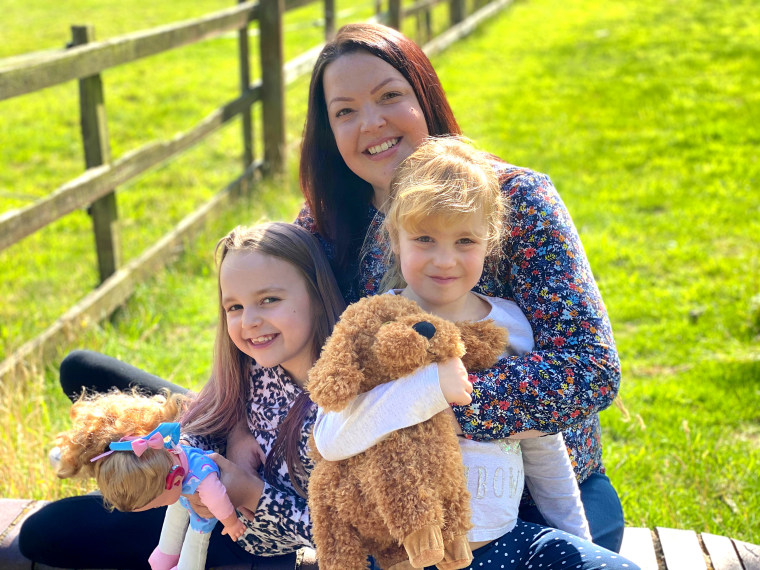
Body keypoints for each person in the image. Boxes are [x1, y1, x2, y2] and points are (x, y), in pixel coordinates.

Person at [294, 22, 626, 552]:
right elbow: (281, 347)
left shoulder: (517, 200)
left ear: (425, 98)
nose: (372, 122)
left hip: (544, 499)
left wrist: (421, 405)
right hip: (400, 511)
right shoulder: (327, 228)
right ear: (328, 133)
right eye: (345, 111)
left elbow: (588, 370)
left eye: (390, 96)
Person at [19, 222, 345, 569]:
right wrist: (202, 451)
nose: (249, 321)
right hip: (202, 480)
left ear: (316, 292)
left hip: (241, 539)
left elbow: (357, 532)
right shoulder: (258, 361)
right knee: (80, 367)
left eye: (269, 300)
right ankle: (121, 467)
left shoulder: (346, 402)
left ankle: (126, 488)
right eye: (234, 307)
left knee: (44, 531)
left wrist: (250, 493)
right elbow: (210, 416)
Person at [53, 391, 244, 569]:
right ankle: (165, 553)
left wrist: (232, 523)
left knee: (197, 531)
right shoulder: (164, 455)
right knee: (175, 512)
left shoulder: (203, 478)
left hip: (205, 504)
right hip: (187, 490)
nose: (156, 507)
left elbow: (219, 500)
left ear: (174, 480)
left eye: (154, 505)